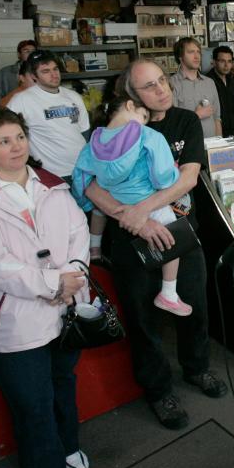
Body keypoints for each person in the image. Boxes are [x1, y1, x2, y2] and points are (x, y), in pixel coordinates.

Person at [84, 60, 228, 431]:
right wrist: (133, 217)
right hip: (130, 238)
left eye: (162, 80)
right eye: (149, 86)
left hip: (179, 230)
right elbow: (88, 184)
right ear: (131, 97)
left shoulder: (185, 120)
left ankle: (197, 368)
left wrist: (145, 209)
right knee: (142, 318)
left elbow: (188, 178)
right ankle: (158, 389)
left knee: (194, 304)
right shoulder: (111, 129)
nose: (161, 89)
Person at [0, 107, 91, 468]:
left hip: (65, 309)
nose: (16, 147)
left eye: (19, 137)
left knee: (63, 386)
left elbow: (78, 234)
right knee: (33, 406)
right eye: (3, 141)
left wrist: (74, 275)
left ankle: (69, 450)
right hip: (16, 323)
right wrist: (54, 282)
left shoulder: (52, 185)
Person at [72, 95, 192, 316]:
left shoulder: (94, 141)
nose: (144, 122)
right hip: (146, 200)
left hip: (116, 200)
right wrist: (173, 173)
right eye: (144, 115)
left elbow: (80, 175)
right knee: (173, 238)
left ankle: (95, 247)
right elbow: (162, 178)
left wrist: (83, 201)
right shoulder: (149, 136)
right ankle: (168, 292)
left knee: (100, 209)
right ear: (129, 105)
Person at [6, 50, 89, 179]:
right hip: (52, 174)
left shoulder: (73, 96)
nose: (54, 75)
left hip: (83, 169)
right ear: (34, 76)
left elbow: (85, 132)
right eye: (46, 71)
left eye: (55, 69)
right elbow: (7, 135)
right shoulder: (21, 101)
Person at [169, 37, 222, 138]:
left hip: (212, 145)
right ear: (180, 56)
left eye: (198, 52)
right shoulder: (172, 84)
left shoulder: (209, 82)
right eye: (191, 52)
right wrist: (196, 116)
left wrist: (219, 144)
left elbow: (217, 118)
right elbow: (172, 122)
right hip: (188, 147)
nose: (197, 56)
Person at [206, 46, 234, 136]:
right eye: (222, 61)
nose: (226, 65)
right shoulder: (208, 81)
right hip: (218, 132)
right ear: (214, 62)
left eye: (229, 61)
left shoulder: (231, 79)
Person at [0, 40, 38, 105]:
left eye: (33, 52)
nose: (31, 54)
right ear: (19, 54)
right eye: (26, 51)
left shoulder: (43, 72)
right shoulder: (4, 73)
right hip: (11, 112)